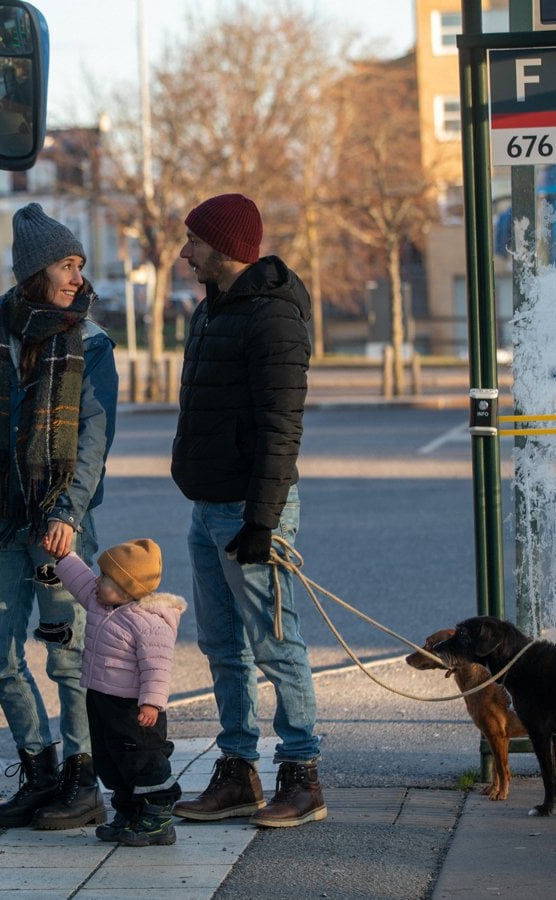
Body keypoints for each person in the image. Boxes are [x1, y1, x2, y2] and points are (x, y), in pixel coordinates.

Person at [0, 202, 118, 829]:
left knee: (67, 653)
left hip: (57, 521)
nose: (77, 276)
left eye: (80, 265)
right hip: (3, 519)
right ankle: (39, 770)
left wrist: (69, 510)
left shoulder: (88, 340)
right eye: (66, 264)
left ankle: (82, 777)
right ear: (33, 269)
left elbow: (94, 435)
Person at [169, 193, 325, 828]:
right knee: (222, 646)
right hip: (207, 508)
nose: (185, 253)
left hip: (252, 512)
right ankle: (238, 773)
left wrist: (261, 520)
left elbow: (281, 428)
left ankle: (302, 776)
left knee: (277, 646)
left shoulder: (273, 319)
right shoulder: (212, 310)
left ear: (226, 248)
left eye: (194, 243)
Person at [51, 538, 186, 846]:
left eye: (106, 579)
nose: (97, 581)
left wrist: (151, 703)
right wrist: (63, 556)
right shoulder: (101, 602)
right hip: (102, 699)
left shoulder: (150, 623)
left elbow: (158, 668)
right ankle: (129, 812)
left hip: (134, 709)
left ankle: (157, 818)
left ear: (128, 588)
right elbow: (81, 581)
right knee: (112, 759)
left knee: (143, 759)